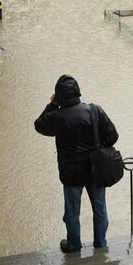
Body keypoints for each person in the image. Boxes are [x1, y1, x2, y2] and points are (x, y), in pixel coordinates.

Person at [34, 75, 119, 253]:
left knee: (72, 211)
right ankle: (100, 243)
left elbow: (39, 125)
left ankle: (73, 245)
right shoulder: (95, 111)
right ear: (78, 92)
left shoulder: (56, 116)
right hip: (96, 169)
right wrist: (97, 147)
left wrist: (51, 105)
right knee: (100, 208)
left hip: (71, 173)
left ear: (58, 96)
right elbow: (113, 137)